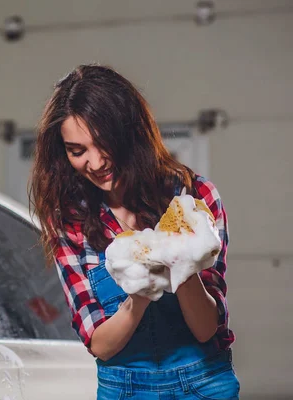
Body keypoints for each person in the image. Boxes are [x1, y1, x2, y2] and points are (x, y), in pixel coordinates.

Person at [29, 64, 240, 399]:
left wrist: (180, 258)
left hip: (203, 383)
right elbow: (101, 344)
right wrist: (141, 291)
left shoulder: (192, 196)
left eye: (102, 142)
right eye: (77, 150)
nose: (95, 163)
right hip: (124, 389)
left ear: (128, 131)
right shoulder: (69, 221)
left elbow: (204, 329)